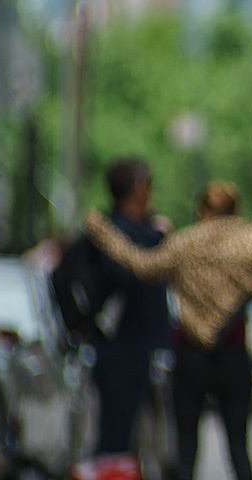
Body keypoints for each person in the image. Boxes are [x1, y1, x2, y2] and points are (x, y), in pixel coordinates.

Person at [85, 181, 252, 480]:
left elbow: (142, 265)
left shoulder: (185, 243)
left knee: (185, 449)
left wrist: (104, 233)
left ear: (201, 210)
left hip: (189, 354)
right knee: (238, 447)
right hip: (234, 354)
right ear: (236, 210)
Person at [91, 158, 170, 456]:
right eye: (148, 184)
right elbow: (131, 270)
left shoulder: (138, 228)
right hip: (119, 349)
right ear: (137, 189)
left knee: (131, 440)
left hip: (136, 347)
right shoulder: (113, 232)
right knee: (114, 436)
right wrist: (157, 236)